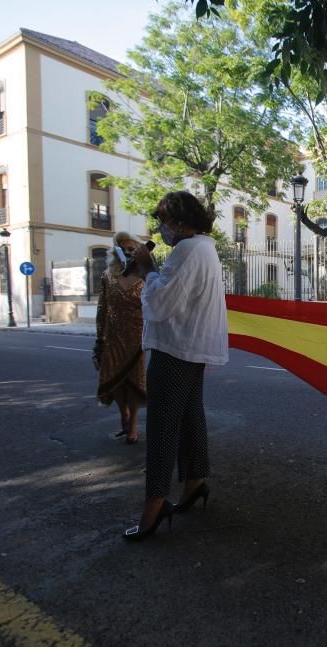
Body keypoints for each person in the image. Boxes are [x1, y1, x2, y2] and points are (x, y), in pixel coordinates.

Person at [121, 191, 229, 541]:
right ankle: (195, 480)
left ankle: (155, 502)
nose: (162, 229)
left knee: (163, 424)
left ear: (181, 221)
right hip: (192, 346)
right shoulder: (205, 247)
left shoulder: (187, 250)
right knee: (190, 415)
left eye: (165, 221)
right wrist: (152, 272)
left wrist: (147, 270)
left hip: (175, 349)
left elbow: (162, 303)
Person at [93, 231, 147, 444]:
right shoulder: (107, 276)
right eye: (124, 247)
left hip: (136, 336)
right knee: (115, 380)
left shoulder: (145, 275)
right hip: (113, 336)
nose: (128, 251)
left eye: (133, 248)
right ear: (115, 250)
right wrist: (100, 338)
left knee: (134, 380)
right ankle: (122, 413)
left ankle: (132, 422)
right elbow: (102, 308)